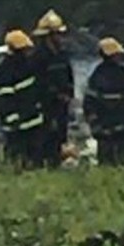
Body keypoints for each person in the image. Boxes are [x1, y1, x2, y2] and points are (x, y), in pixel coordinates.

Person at [83, 37, 124, 165]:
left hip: (104, 125)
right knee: (122, 159)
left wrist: (92, 119)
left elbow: (89, 101)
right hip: (123, 124)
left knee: (105, 160)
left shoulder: (96, 75)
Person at [0, 30, 44, 168]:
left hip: (32, 120)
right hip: (16, 123)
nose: (28, 52)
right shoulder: (5, 71)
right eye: (25, 50)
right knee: (16, 155)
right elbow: (5, 98)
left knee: (34, 157)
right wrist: (12, 118)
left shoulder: (28, 66)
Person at [32, 9, 75, 168]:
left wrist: (69, 94)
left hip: (61, 105)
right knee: (45, 135)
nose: (60, 38)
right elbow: (38, 82)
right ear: (48, 36)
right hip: (45, 105)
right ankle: (41, 164)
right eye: (57, 34)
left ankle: (55, 163)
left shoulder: (62, 55)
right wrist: (55, 95)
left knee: (59, 136)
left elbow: (69, 76)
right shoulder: (38, 57)